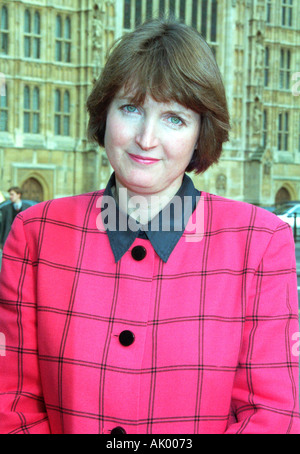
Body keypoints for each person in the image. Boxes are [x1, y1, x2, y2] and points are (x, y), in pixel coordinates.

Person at [0, 18, 299, 435]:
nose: (146, 138)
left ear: (200, 134)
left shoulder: (261, 243)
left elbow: (272, 415)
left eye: (174, 118)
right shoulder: (36, 234)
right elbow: (11, 406)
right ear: (104, 115)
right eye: (131, 108)